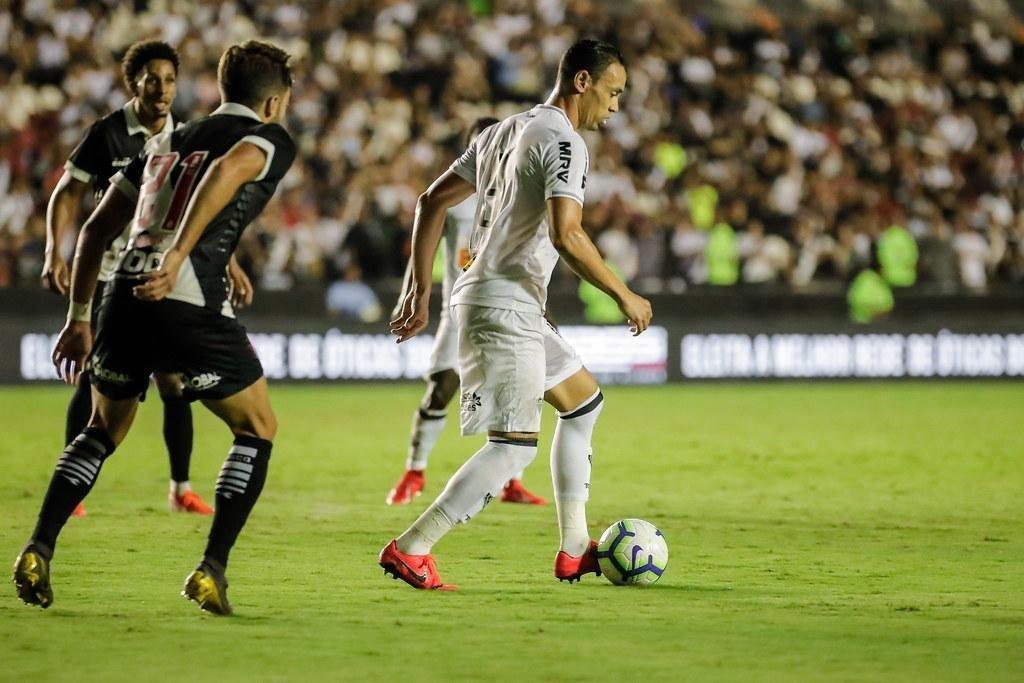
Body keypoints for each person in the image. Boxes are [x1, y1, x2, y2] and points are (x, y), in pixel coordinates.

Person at [13, 40, 297, 616]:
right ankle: (211, 569)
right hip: (185, 298)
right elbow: (227, 171)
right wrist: (178, 256)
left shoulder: (167, 139)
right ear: (272, 103)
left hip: (122, 296)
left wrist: (79, 318)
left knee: (101, 429)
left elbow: (94, 232)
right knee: (257, 427)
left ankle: (38, 546)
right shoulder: (268, 139)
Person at [381, 39, 653, 590]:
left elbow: (430, 202)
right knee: (511, 450)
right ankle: (412, 547)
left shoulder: (499, 132)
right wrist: (624, 294)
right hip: (504, 304)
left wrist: (418, 290)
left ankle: (575, 549)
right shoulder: (565, 142)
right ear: (583, 81)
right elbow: (567, 234)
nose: (616, 105)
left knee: (583, 403)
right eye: (614, 91)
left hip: (502, 300)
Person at [40, 39, 251, 516]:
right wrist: (56, 249)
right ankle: (71, 486)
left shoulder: (186, 135)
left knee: (173, 382)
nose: (162, 89)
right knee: (93, 379)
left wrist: (229, 260)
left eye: (170, 79)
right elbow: (67, 194)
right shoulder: (109, 134)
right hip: (109, 277)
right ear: (131, 83)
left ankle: (180, 488)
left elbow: (203, 208)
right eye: (152, 79)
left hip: (162, 275)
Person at [385, 117, 546, 508]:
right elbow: (424, 233)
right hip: (457, 310)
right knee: (442, 386)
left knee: (513, 387)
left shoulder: (519, 192)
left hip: (508, 303)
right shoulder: (456, 198)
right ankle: (414, 470)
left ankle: (512, 481)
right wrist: (412, 292)